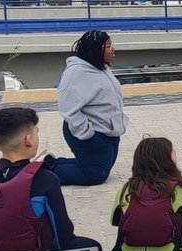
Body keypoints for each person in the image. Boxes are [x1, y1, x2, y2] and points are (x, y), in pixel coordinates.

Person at [0, 107, 101, 251]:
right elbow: (63, 238)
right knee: (94, 247)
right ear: (28, 140)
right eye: (37, 132)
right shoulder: (44, 178)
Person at [50, 30, 128, 186]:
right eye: (108, 46)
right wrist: (87, 133)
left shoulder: (101, 68)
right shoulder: (76, 73)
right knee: (95, 176)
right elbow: (68, 109)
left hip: (108, 132)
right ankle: (45, 175)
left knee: (101, 168)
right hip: (89, 133)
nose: (113, 50)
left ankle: (51, 163)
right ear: (96, 49)